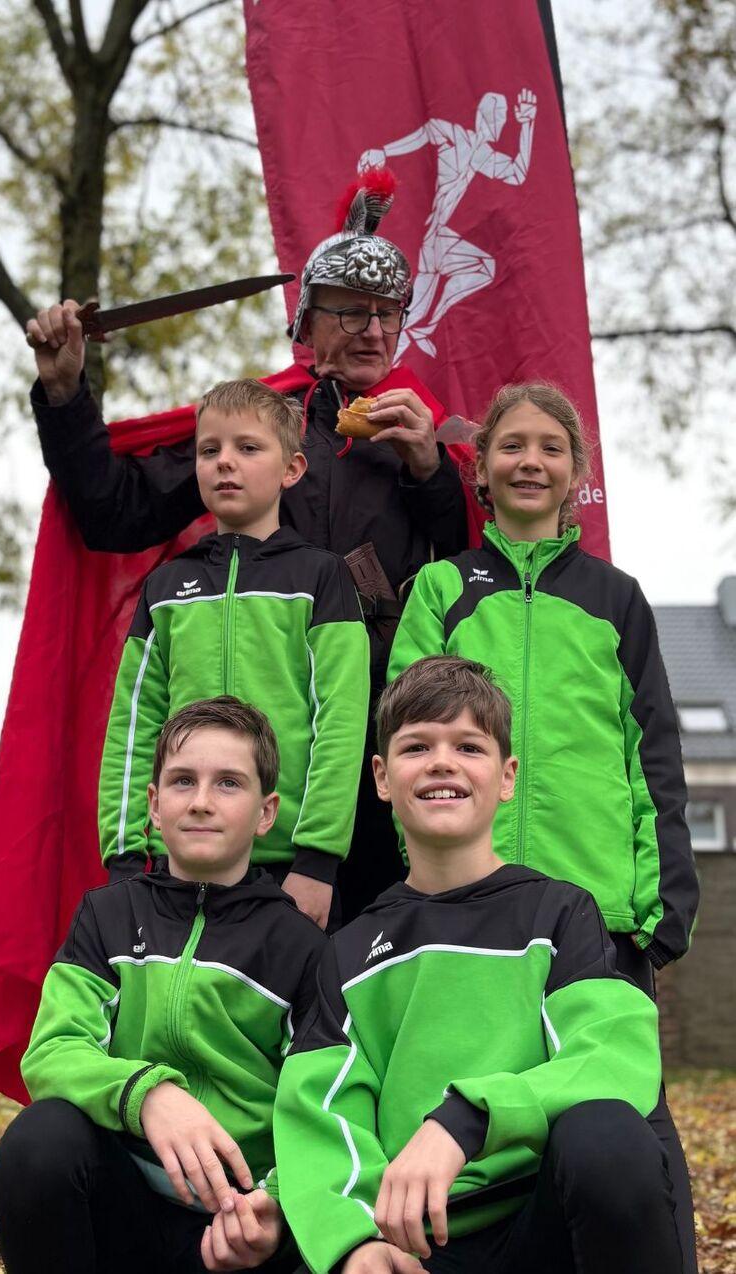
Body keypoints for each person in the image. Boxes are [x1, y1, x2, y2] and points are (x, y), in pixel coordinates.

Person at [26, 173, 471, 921]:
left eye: (386, 315)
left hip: (384, 732)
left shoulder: (419, 432)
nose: (371, 331)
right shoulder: (259, 428)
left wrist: (429, 468)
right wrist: (67, 395)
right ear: (308, 320)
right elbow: (113, 512)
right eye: (350, 312)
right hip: (256, 748)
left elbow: (469, 567)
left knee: (376, 954)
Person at [387, 382, 700, 1264]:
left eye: (550, 448)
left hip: (599, 912)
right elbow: (406, 740)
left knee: (625, 1122)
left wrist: (663, 907)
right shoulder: (442, 589)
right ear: (479, 469)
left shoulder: (615, 599)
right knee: (482, 1108)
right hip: (472, 907)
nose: (530, 461)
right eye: (510, 446)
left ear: (575, 474)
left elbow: (655, 760)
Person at [274, 657, 682, 1274]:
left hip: (542, 1224)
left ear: (507, 776)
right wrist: (356, 1241)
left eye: (469, 745)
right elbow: (321, 1116)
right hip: (412, 1245)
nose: (442, 762)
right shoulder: (348, 950)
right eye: (416, 747)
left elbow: (614, 1055)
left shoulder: (560, 914)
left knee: (608, 1134)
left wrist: (469, 1119)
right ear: (382, 778)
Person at [0, 698, 322, 1273]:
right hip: (124, 1207)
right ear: (153, 804)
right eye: (182, 781)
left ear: (266, 812)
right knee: (38, 1139)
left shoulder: (302, 947)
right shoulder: (105, 915)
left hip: (240, 1226)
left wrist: (275, 1206)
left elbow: (317, 1105)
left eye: (228, 783)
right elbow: (52, 1051)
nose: (200, 801)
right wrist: (150, 1094)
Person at [100, 377, 369, 930]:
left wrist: (318, 861)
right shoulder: (165, 587)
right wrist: (126, 861)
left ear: (291, 470)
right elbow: (133, 724)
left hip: (289, 870)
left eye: (248, 448)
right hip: (174, 867)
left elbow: (341, 721)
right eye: (210, 450)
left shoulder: (322, 577)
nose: (226, 462)